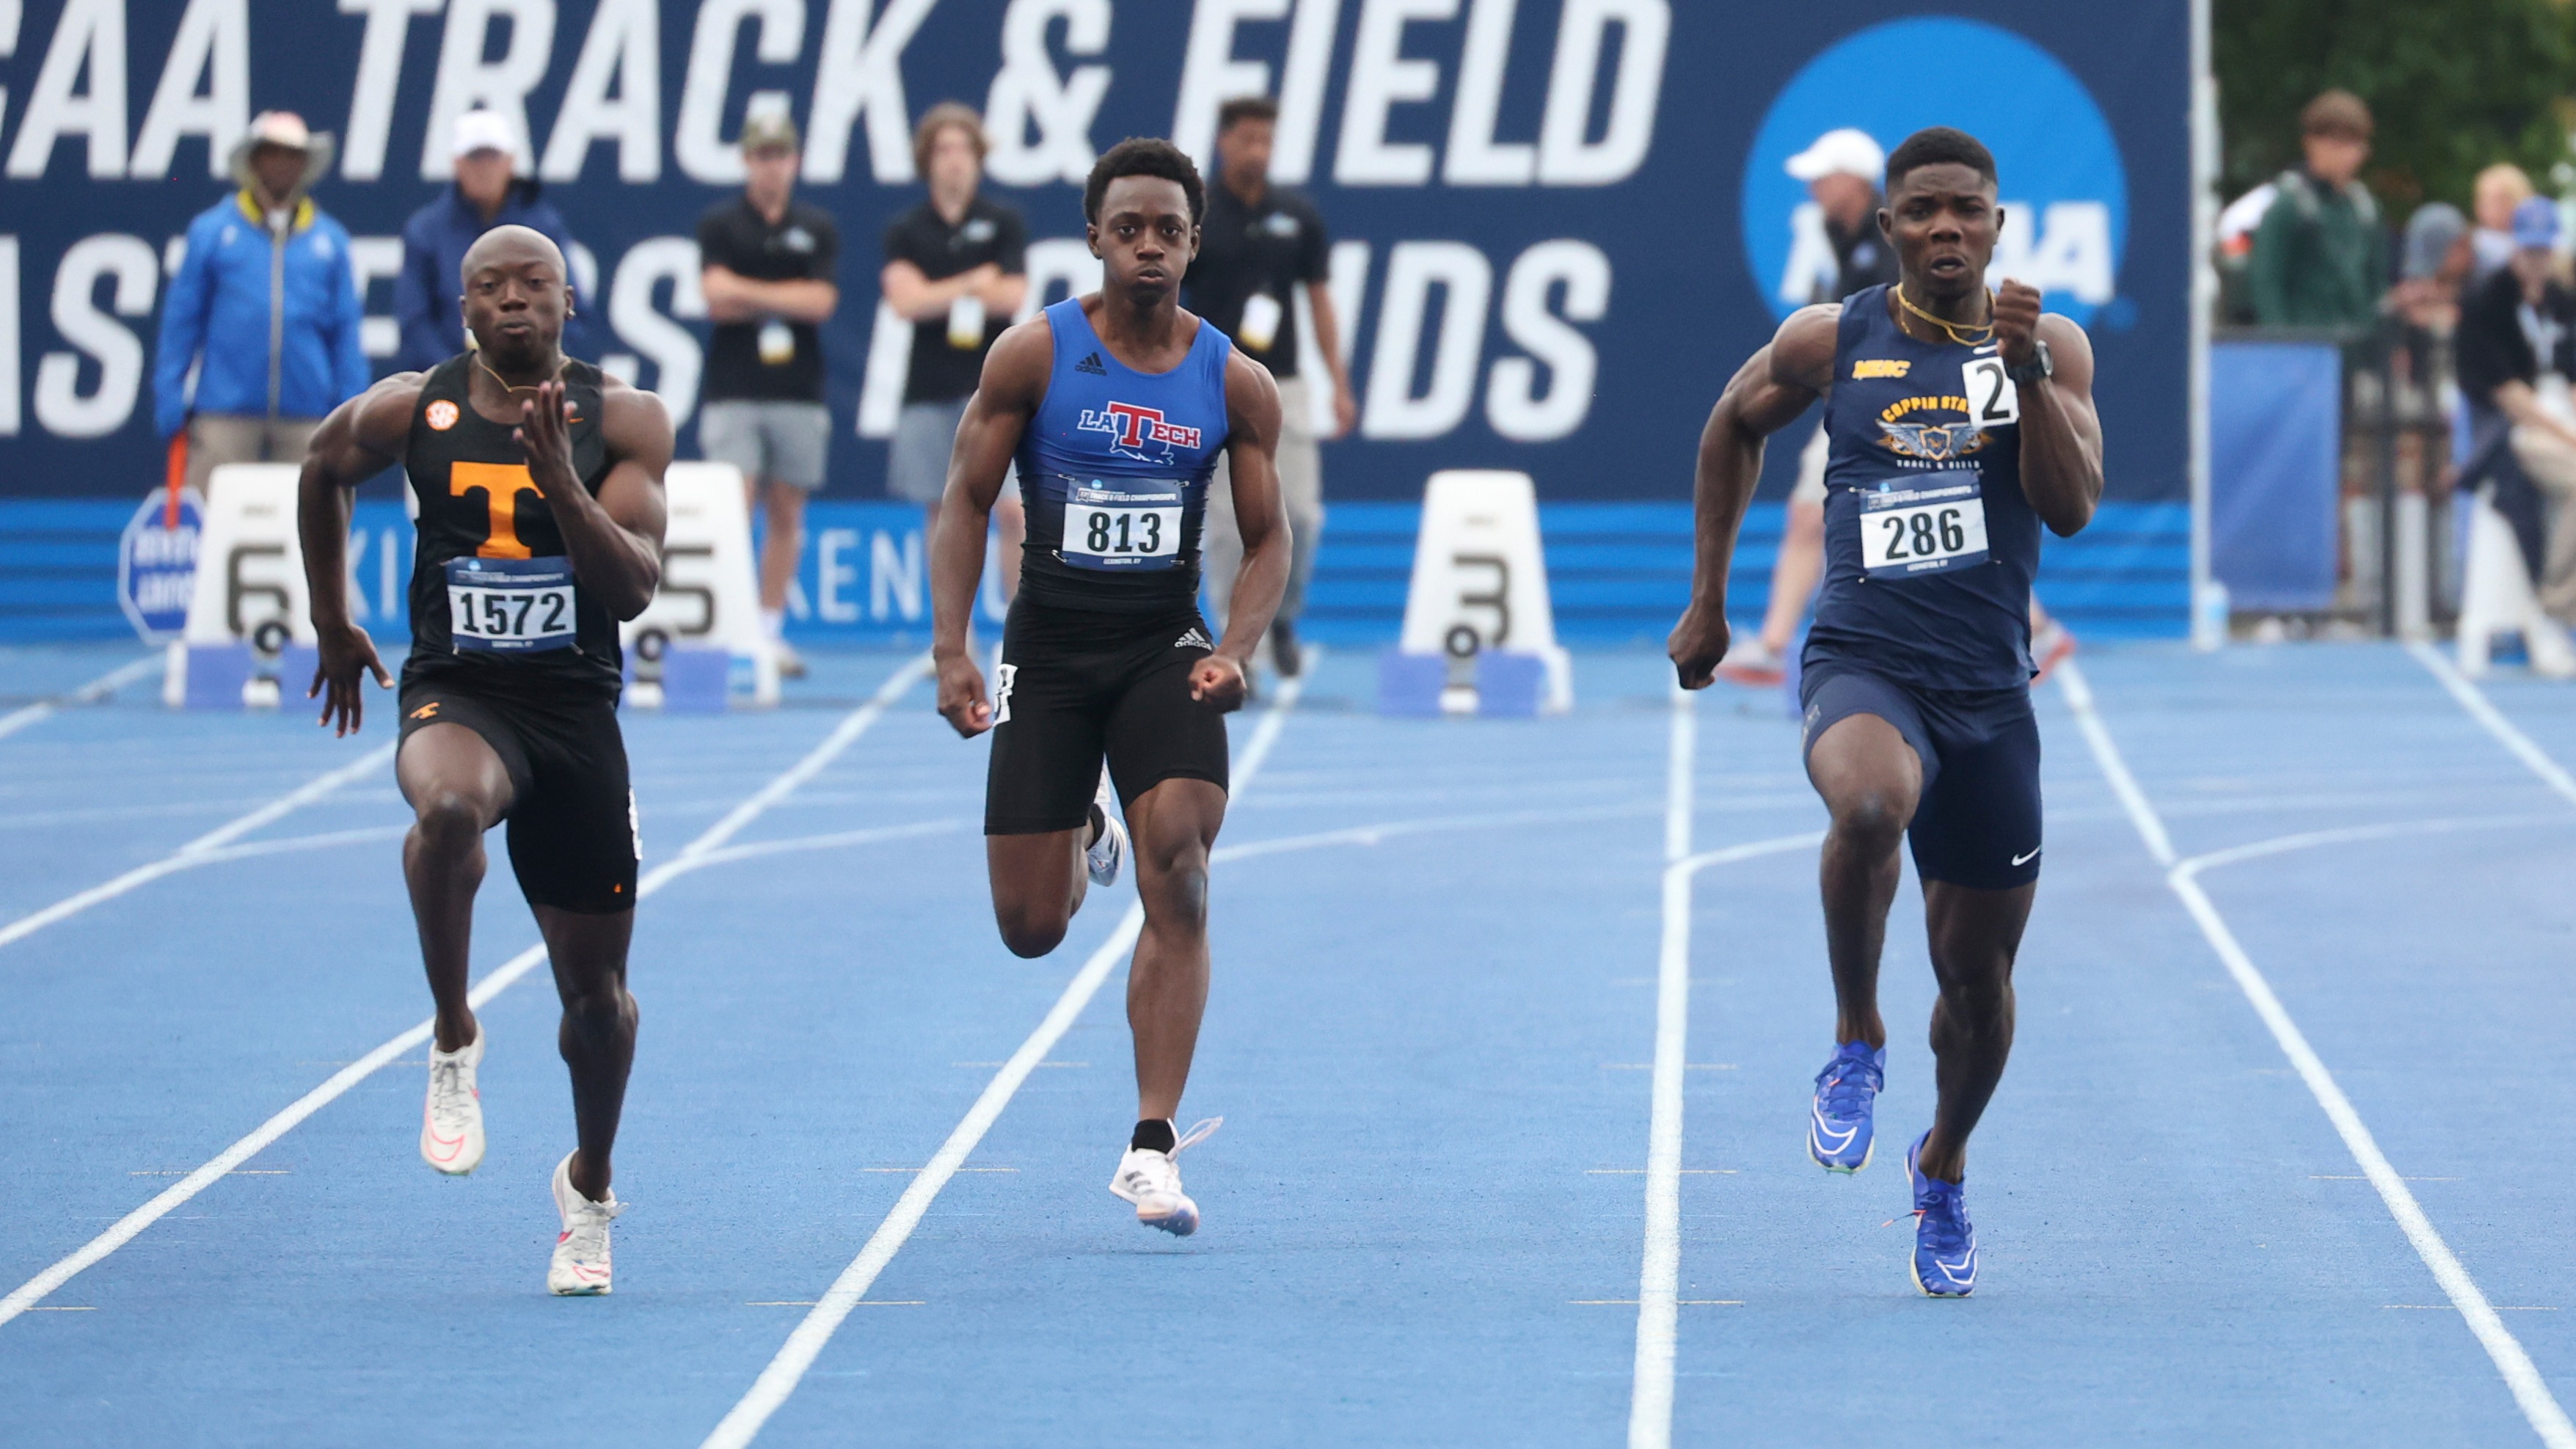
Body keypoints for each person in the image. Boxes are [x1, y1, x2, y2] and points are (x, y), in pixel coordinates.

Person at [1668, 128, 2104, 1297]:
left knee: (1976, 988)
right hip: (1863, 659)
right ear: (1889, 227)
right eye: (1921, 211)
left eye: (1965, 209)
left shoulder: (2047, 344)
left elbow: (2069, 508)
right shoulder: (1831, 338)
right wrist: (1708, 601)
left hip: (1987, 692)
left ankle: (1942, 1161)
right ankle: (1854, 1037)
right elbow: (1729, 424)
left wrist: (2023, 376)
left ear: (1996, 226)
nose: (1944, 227)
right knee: (1866, 805)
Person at [297, 225, 674, 1296]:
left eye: (533, 283)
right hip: (458, 689)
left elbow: (632, 588)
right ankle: (454, 1032)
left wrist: (562, 481)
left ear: (567, 301)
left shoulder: (626, 419)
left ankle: (588, 1190)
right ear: (463, 308)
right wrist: (330, 619)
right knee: (449, 810)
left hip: (574, 710)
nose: (513, 300)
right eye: (491, 287)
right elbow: (322, 468)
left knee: (597, 1002)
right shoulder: (411, 407)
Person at [927, 138, 1288, 1238]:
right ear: (1094, 236)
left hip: (1161, 646)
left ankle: (1150, 1144)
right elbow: (964, 501)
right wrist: (950, 647)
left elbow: (1268, 538)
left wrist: (1235, 646)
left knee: (1179, 865)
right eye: (1127, 228)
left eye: (1167, 230)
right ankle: (1086, 819)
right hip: (1049, 647)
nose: (1147, 247)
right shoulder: (1033, 356)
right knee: (1031, 927)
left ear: (1193, 243)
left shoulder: (1232, 381)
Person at [1719, 123, 2068, 689]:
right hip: (1870, 393)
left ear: (1853, 183)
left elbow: (1916, 331)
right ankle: (2036, 627)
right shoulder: (1844, 236)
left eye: (1821, 177)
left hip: (1891, 396)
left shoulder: (1897, 244)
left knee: (1861, 512)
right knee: (1931, 514)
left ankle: (1778, 642)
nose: (1811, 188)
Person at [1186, 95, 1357, 679]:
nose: (1257, 150)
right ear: (1223, 142)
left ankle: (1281, 615)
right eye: (1247, 139)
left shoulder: (1297, 215)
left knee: (1301, 514)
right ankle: (1235, 646)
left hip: (1283, 383)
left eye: (1266, 139)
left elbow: (1318, 300)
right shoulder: (1196, 216)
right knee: (1226, 526)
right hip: (1213, 383)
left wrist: (1338, 382)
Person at [153, 112, 368, 498]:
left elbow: (345, 331)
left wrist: (351, 408)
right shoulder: (213, 232)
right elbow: (182, 321)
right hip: (225, 412)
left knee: (311, 517)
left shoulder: (330, 240)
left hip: (307, 414)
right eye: (272, 154)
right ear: (253, 161)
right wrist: (169, 393)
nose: (282, 164)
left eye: (293, 155)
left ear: (305, 165)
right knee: (211, 515)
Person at [698, 109, 841, 680]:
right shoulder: (721, 224)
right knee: (733, 505)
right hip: (733, 387)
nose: (771, 167)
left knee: (786, 509)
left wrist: (749, 294)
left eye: (780, 156)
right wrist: (787, 293)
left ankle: (768, 626)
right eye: (762, 156)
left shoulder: (816, 225)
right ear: (746, 161)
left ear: (794, 161)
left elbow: (821, 302)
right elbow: (714, 296)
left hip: (797, 389)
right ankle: (728, 624)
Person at [883, 104, 1029, 604]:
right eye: (944, 149)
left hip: (996, 389)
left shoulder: (1002, 221)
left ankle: (1019, 629)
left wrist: (935, 292)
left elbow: (1011, 295)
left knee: (1013, 510)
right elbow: (905, 302)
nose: (955, 160)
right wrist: (971, 281)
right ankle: (953, 633)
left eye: (964, 149)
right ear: (927, 159)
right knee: (943, 513)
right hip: (929, 387)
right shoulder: (908, 229)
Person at [2455, 196, 2576, 618]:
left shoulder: (2561, 300)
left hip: (2559, 419)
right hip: (2515, 429)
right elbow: (2509, 395)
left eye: (2544, 250)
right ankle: (2558, 597)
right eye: (2529, 250)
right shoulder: (2487, 299)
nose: (2537, 260)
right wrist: (2569, 437)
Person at [394, 110, 582, 373]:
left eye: (492, 157)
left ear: (510, 162)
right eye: (475, 158)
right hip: (450, 383)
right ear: (457, 163)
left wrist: (537, 369)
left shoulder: (544, 227)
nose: (484, 168)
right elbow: (415, 321)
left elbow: (573, 313)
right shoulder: (425, 232)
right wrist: (458, 377)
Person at [2248, 90, 2387, 332]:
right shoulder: (2289, 207)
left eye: (2356, 145)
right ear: (2311, 144)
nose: (2348, 155)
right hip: (2306, 343)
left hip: (2355, 343)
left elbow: (2375, 286)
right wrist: (2284, 343)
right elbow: (2267, 283)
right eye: (2338, 144)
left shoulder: (2365, 210)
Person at [2470, 164, 2536, 282]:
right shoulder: (2471, 245)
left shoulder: (2539, 242)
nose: (2492, 208)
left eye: (2502, 199)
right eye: (2485, 199)